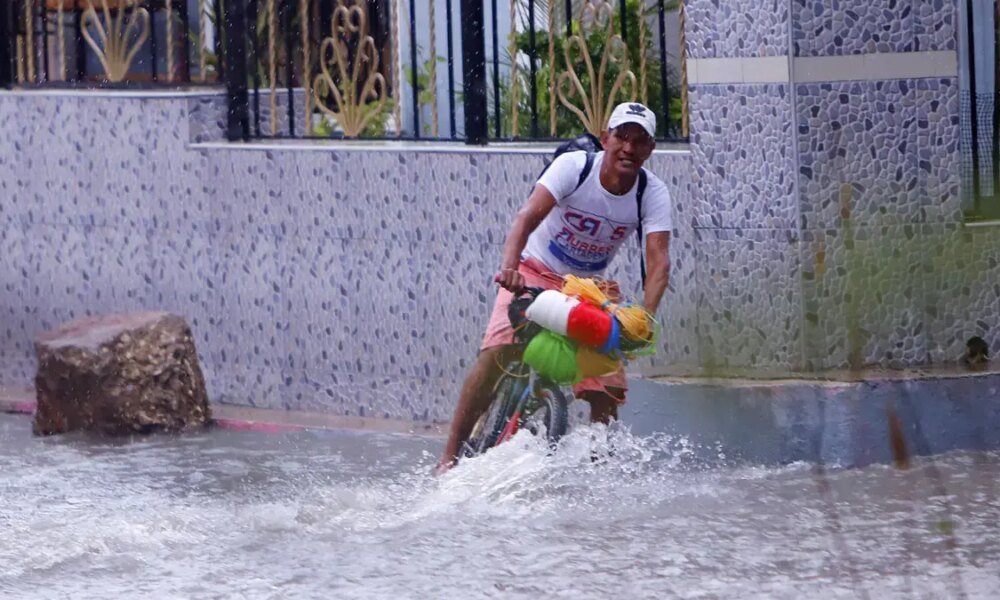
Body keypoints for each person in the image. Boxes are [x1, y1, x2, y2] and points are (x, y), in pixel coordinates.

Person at [436, 102, 673, 473]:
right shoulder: (575, 167)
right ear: (605, 139)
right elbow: (526, 217)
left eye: (640, 141)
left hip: (588, 289)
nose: (629, 147)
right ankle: (448, 459)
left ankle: (602, 472)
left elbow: (659, 262)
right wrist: (509, 269)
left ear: (650, 150)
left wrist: (645, 319)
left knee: (607, 386)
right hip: (534, 270)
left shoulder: (651, 193)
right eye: (622, 137)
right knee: (495, 354)